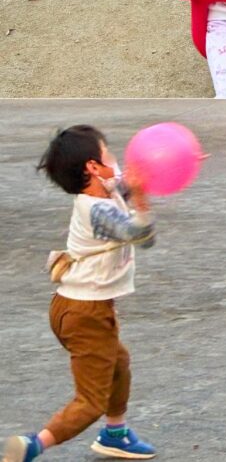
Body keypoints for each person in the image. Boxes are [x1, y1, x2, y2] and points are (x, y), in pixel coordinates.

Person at [3, 127, 157, 462]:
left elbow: (125, 188)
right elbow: (142, 236)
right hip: (86, 314)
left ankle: (115, 434)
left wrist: (163, 167)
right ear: (92, 167)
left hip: (72, 307)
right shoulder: (99, 211)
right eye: (108, 153)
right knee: (91, 400)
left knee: (119, 362)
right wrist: (143, 199)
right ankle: (33, 445)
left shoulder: (102, 195)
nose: (114, 159)